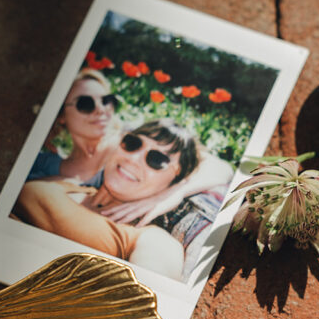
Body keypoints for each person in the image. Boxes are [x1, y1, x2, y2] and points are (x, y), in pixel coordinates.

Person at [16, 120, 211, 281]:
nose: (133, 159)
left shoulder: (153, 240)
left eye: (157, 159)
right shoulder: (68, 183)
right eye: (132, 143)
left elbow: (142, 304)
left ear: (174, 183)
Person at [28, 69, 121, 186]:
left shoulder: (130, 151)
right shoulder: (41, 165)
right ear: (61, 115)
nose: (101, 110)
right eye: (85, 103)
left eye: (106, 101)